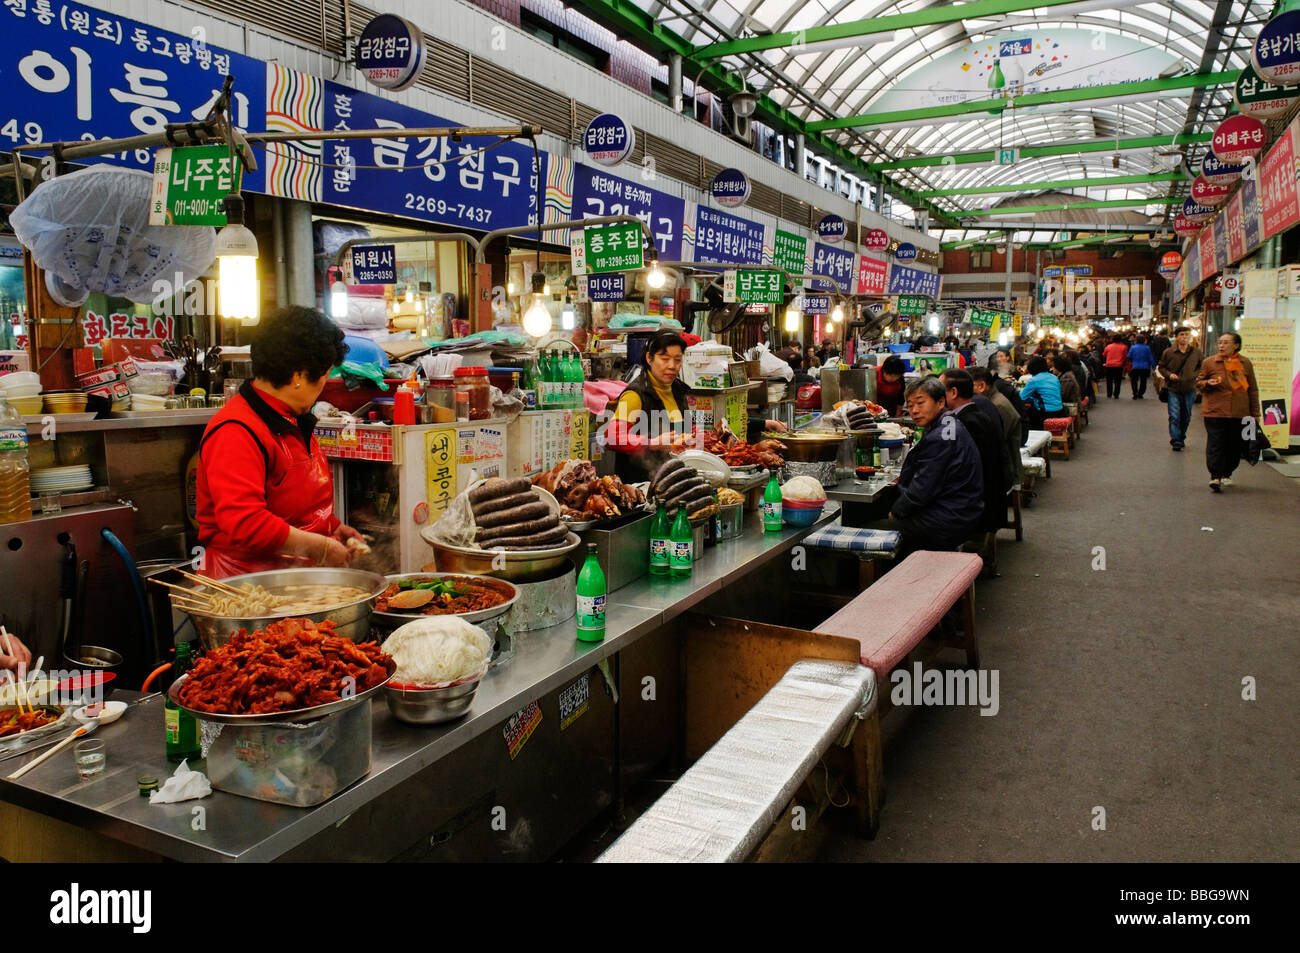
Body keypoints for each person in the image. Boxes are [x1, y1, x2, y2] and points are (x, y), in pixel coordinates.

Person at [196, 306, 364, 578]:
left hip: (296, 579)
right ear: (298, 376)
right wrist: (319, 547)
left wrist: (329, 528)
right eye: (324, 377)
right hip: (245, 588)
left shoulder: (292, 419)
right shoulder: (236, 431)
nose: (324, 387)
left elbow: (295, 504)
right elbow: (245, 522)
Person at [868, 377, 984, 556]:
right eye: (910, 405)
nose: (914, 410)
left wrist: (897, 512)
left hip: (948, 518)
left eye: (920, 403)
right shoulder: (948, 423)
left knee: (870, 527)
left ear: (940, 402)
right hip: (958, 510)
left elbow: (922, 490)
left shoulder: (942, 436)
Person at [604, 330, 693, 482]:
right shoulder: (635, 395)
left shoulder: (677, 389)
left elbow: (684, 430)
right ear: (649, 358)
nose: (672, 366)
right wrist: (653, 443)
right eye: (664, 359)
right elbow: (612, 437)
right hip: (641, 486)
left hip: (674, 480)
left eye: (677, 360)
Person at [943, 369, 1010, 534]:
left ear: (953, 392)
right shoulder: (976, 412)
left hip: (977, 507)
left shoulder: (968, 422)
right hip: (985, 500)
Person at [1196, 332, 1261, 492]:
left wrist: (1255, 414)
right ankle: (1215, 476)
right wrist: (1207, 383)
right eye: (1220, 343)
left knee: (1234, 445)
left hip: (1239, 412)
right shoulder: (1209, 362)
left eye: (1226, 343)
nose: (1221, 346)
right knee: (1215, 443)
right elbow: (1199, 382)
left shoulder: (1245, 363)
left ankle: (1227, 472)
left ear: (1236, 345)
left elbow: (1252, 390)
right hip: (1215, 411)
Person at [970, 366, 1023, 483]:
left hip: (1006, 469)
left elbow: (992, 444)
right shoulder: (993, 399)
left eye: (968, 387)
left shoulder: (996, 405)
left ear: (982, 386)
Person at [1157, 325, 1203, 451]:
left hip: (1190, 388)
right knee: (1174, 415)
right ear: (1176, 337)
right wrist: (1169, 375)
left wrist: (1195, 375)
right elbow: (1161, 367)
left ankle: (1181, 436)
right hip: (1173, 389)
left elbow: (1201, 366)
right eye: (1181, 335)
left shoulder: (1196, 352)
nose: (1184, 337)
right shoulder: (1168, 352)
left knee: (1186, 415)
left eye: (1187, 334)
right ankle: (1176, 440)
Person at [1019, 355, 1064, 428]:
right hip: (1060, 411)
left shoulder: (1034, 380)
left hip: (1046, 414)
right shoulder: (1054, 377)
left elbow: (1021, 398)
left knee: (1025, 414)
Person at [1128, 334, 1155, 399]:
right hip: (1145, 367)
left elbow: (1129, 356)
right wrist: (1154, 366)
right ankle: (1141, 393)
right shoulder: (1147, 348)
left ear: (1136, 340)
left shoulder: (1133, 347)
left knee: (1134, 380)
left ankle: (1135, 393)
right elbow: (1150, 358)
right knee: (1143, 381)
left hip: (1135, 366)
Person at [1103, 334, 1128, 399]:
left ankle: (1109, 393)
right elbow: (1125, 357)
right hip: (1119, 366)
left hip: (1109, 365)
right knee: (1117, 381)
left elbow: (1104, 354)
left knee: (1109, 380)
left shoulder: (1108, 346)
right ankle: (1116, 394)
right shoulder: (1124, 347)